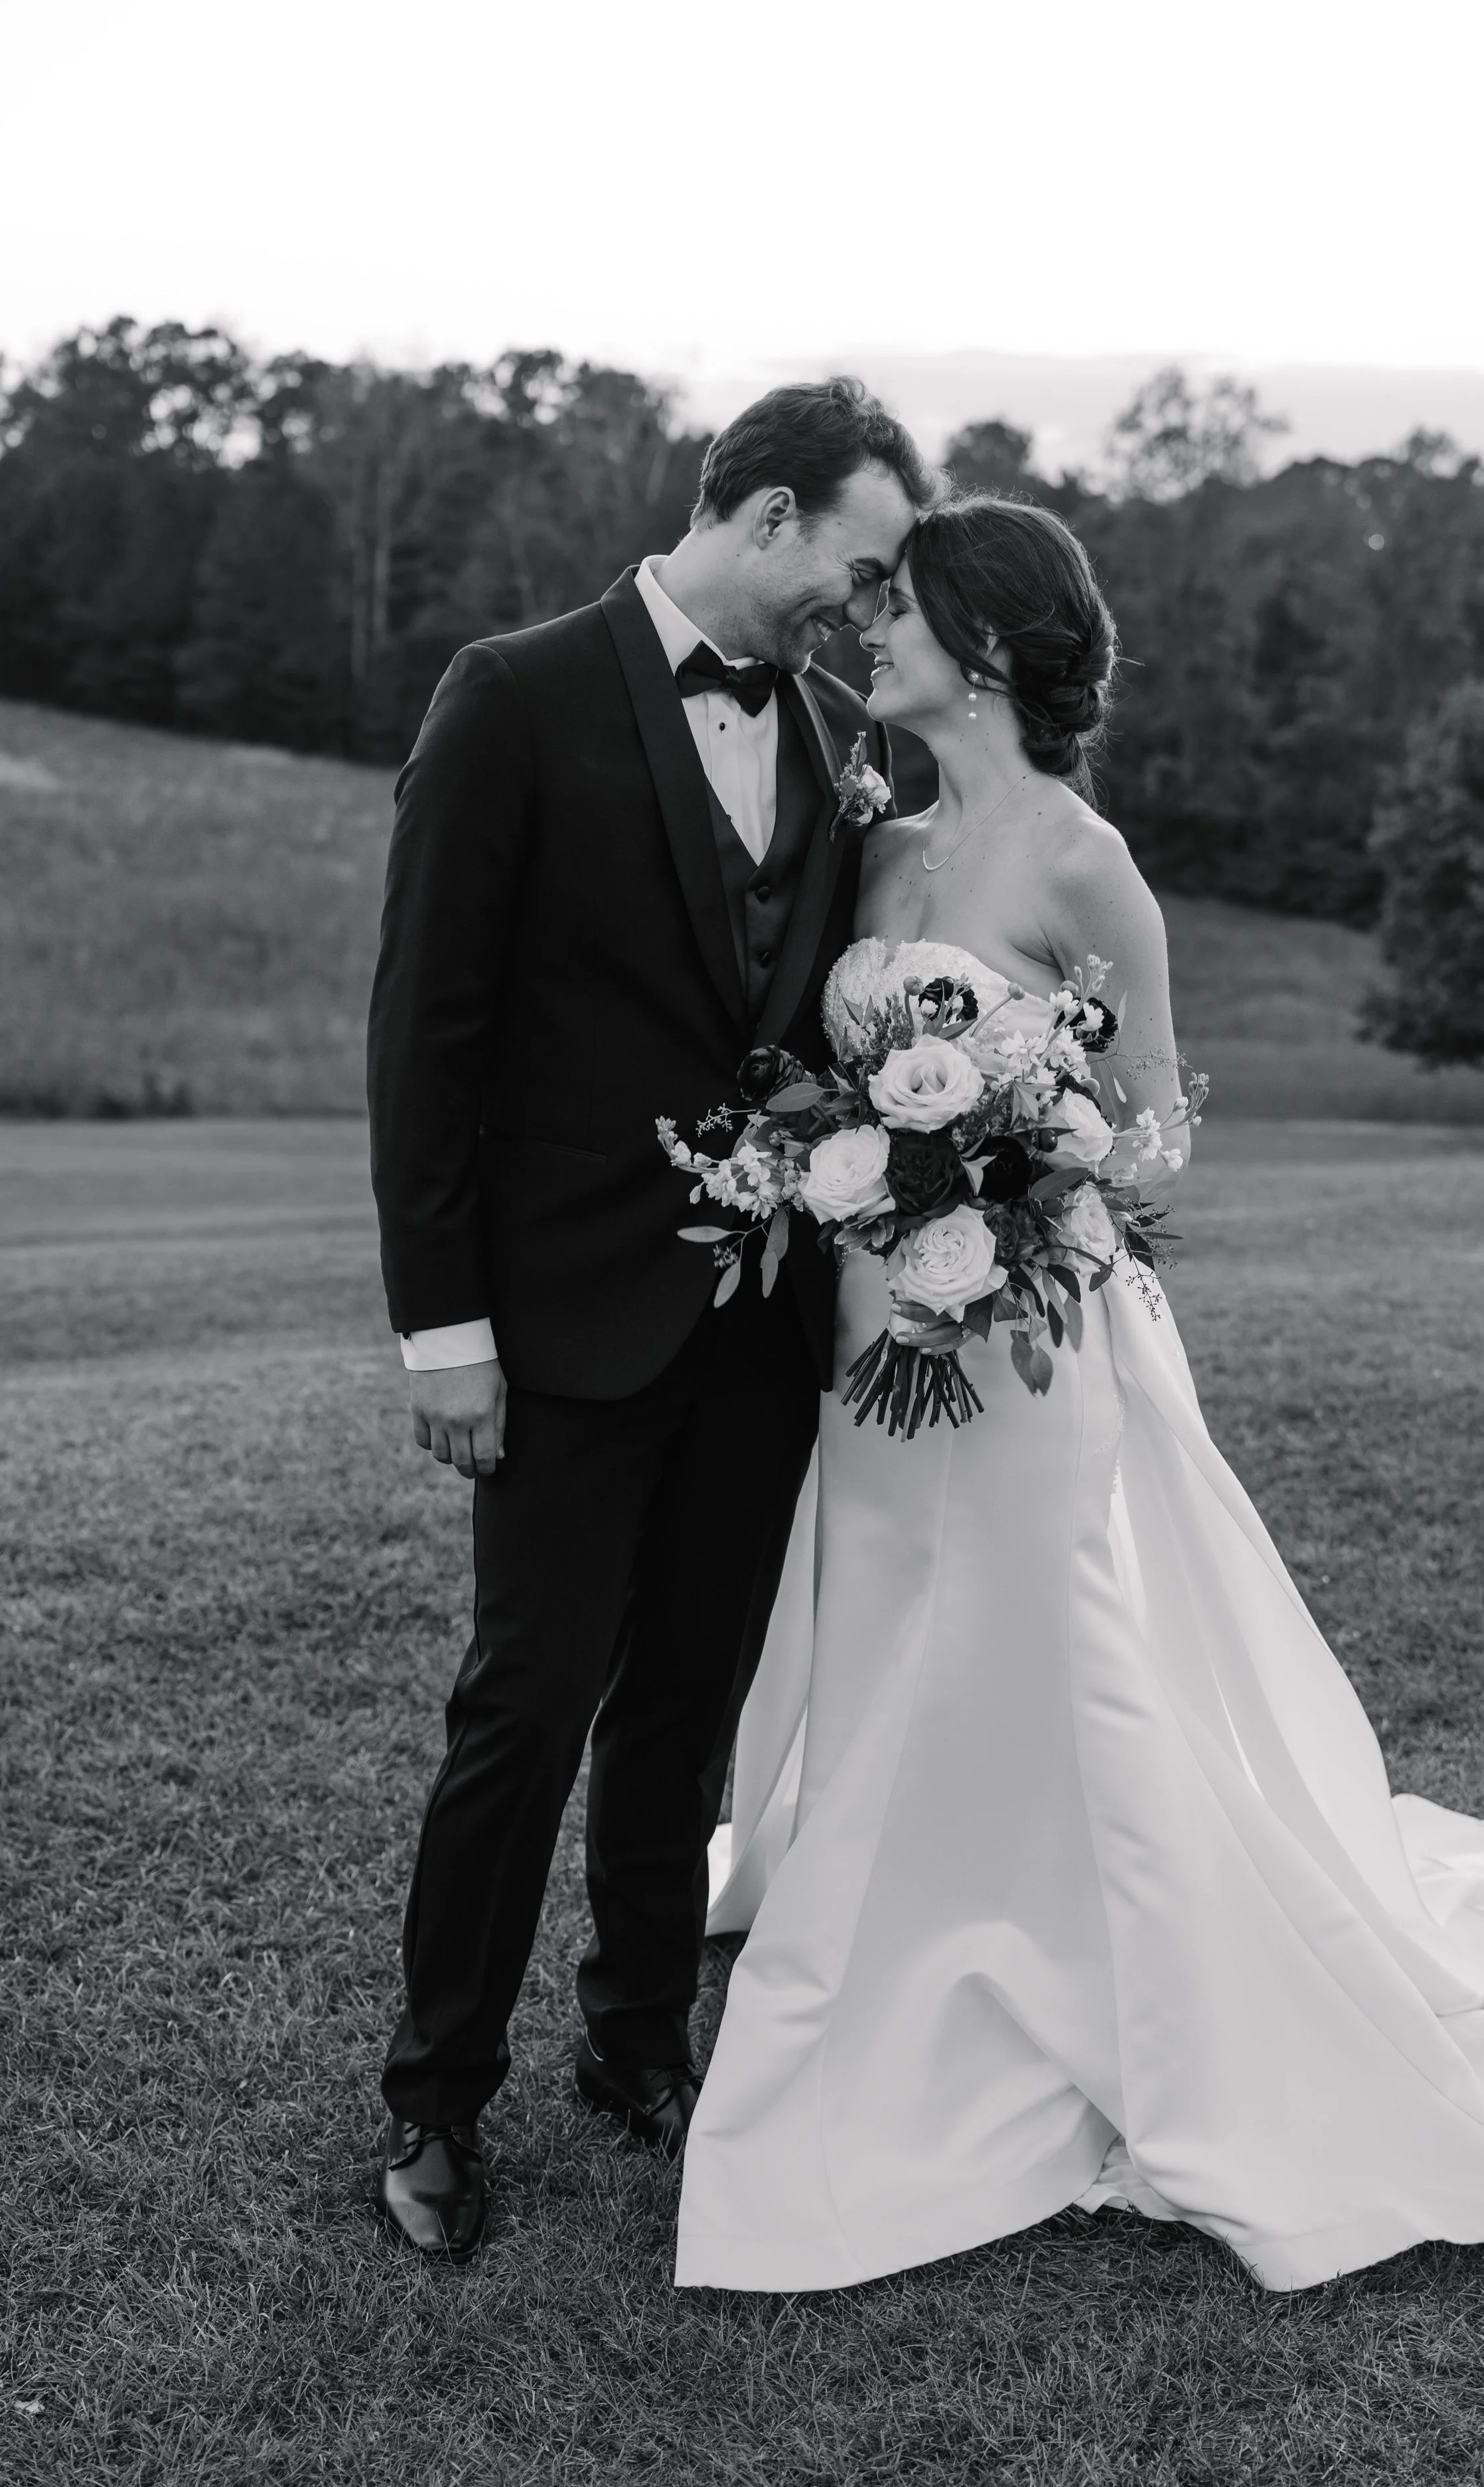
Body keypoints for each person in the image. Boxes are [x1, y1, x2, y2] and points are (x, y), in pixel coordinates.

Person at [674, 495, 1484, 2294]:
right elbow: (819, 1055)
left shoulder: (1080, 861)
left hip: (1036, 1332)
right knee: (887, 1614)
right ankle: (887, 1902)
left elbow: (1155, 1136)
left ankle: (1072, 1953)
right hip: (863, 1319)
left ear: (980, 648)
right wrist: (858, 1164)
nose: (860, 632)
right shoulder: (873, 834)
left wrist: (1015, 1169)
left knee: (1043, 1627)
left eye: (893, 612)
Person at [366, 378, 932, 2261]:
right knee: (522, 1706)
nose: (858, 615)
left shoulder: (843, 734)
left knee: (684, 1703)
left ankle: (637, 2039)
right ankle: (437, 2094)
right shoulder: (511, 692)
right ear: (759, 516)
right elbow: (425, 1028)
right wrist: (440, 1321)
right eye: (850, 571)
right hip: (556, 1315)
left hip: (760, 1322)